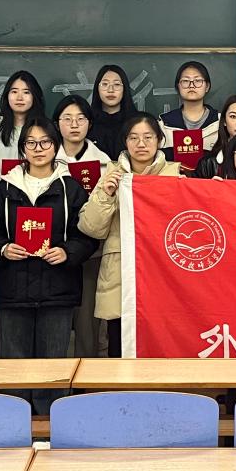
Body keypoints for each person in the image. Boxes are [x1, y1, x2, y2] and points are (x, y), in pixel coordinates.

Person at [0, 117, 97, 414]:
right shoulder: (5, 189)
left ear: (55, 146)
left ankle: (50, 426)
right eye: (31, 143)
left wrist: (68, 252)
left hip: (58, 290)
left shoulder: (71, 189)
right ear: (22, 149)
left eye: (45, 142)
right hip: (13, 289)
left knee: (53, 366)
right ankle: (13, 424)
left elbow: (87, 235)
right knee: (14, 366)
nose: (38, 148)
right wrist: (3, 249)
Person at [78, 113, 181, 357]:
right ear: (125, 141)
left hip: (163, 274)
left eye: (148, 137)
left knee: (162, 351)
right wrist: (106, 194)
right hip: (120, 273)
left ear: (159, 140)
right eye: (133, 138)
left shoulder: (175, 175)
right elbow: (90, 227)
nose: (141, 144)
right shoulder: (112, 175)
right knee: (119, 350)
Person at [52, 94, 111, 358]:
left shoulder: (105, 162)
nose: (74, 125)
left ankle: (88, 379)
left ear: (90, 123)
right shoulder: (44, 157)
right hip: (51, 250)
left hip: (91, 253)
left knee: (89, 324)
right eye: (67, 118)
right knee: (55, 324)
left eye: (81, 118)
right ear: (57, 124)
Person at [0, 70, 47, 195]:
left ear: (35, 96)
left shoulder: (47, 132)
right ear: (7, 95)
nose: (19, 97)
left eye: (26, 92)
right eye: (14, 91)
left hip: (39, 200)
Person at [158, 60, 221, 159]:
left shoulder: (220, 122)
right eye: (185, 81)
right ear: (178, 87)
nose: (191, 85)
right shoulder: (163, 124)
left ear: (207, 86)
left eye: (198, 81)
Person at [88, 64, 134, 160]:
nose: (110, 90)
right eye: (105, 84)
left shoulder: (137, 122)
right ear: (97, 88)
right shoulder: (87, 123)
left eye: (116, 84)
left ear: (124, 89)